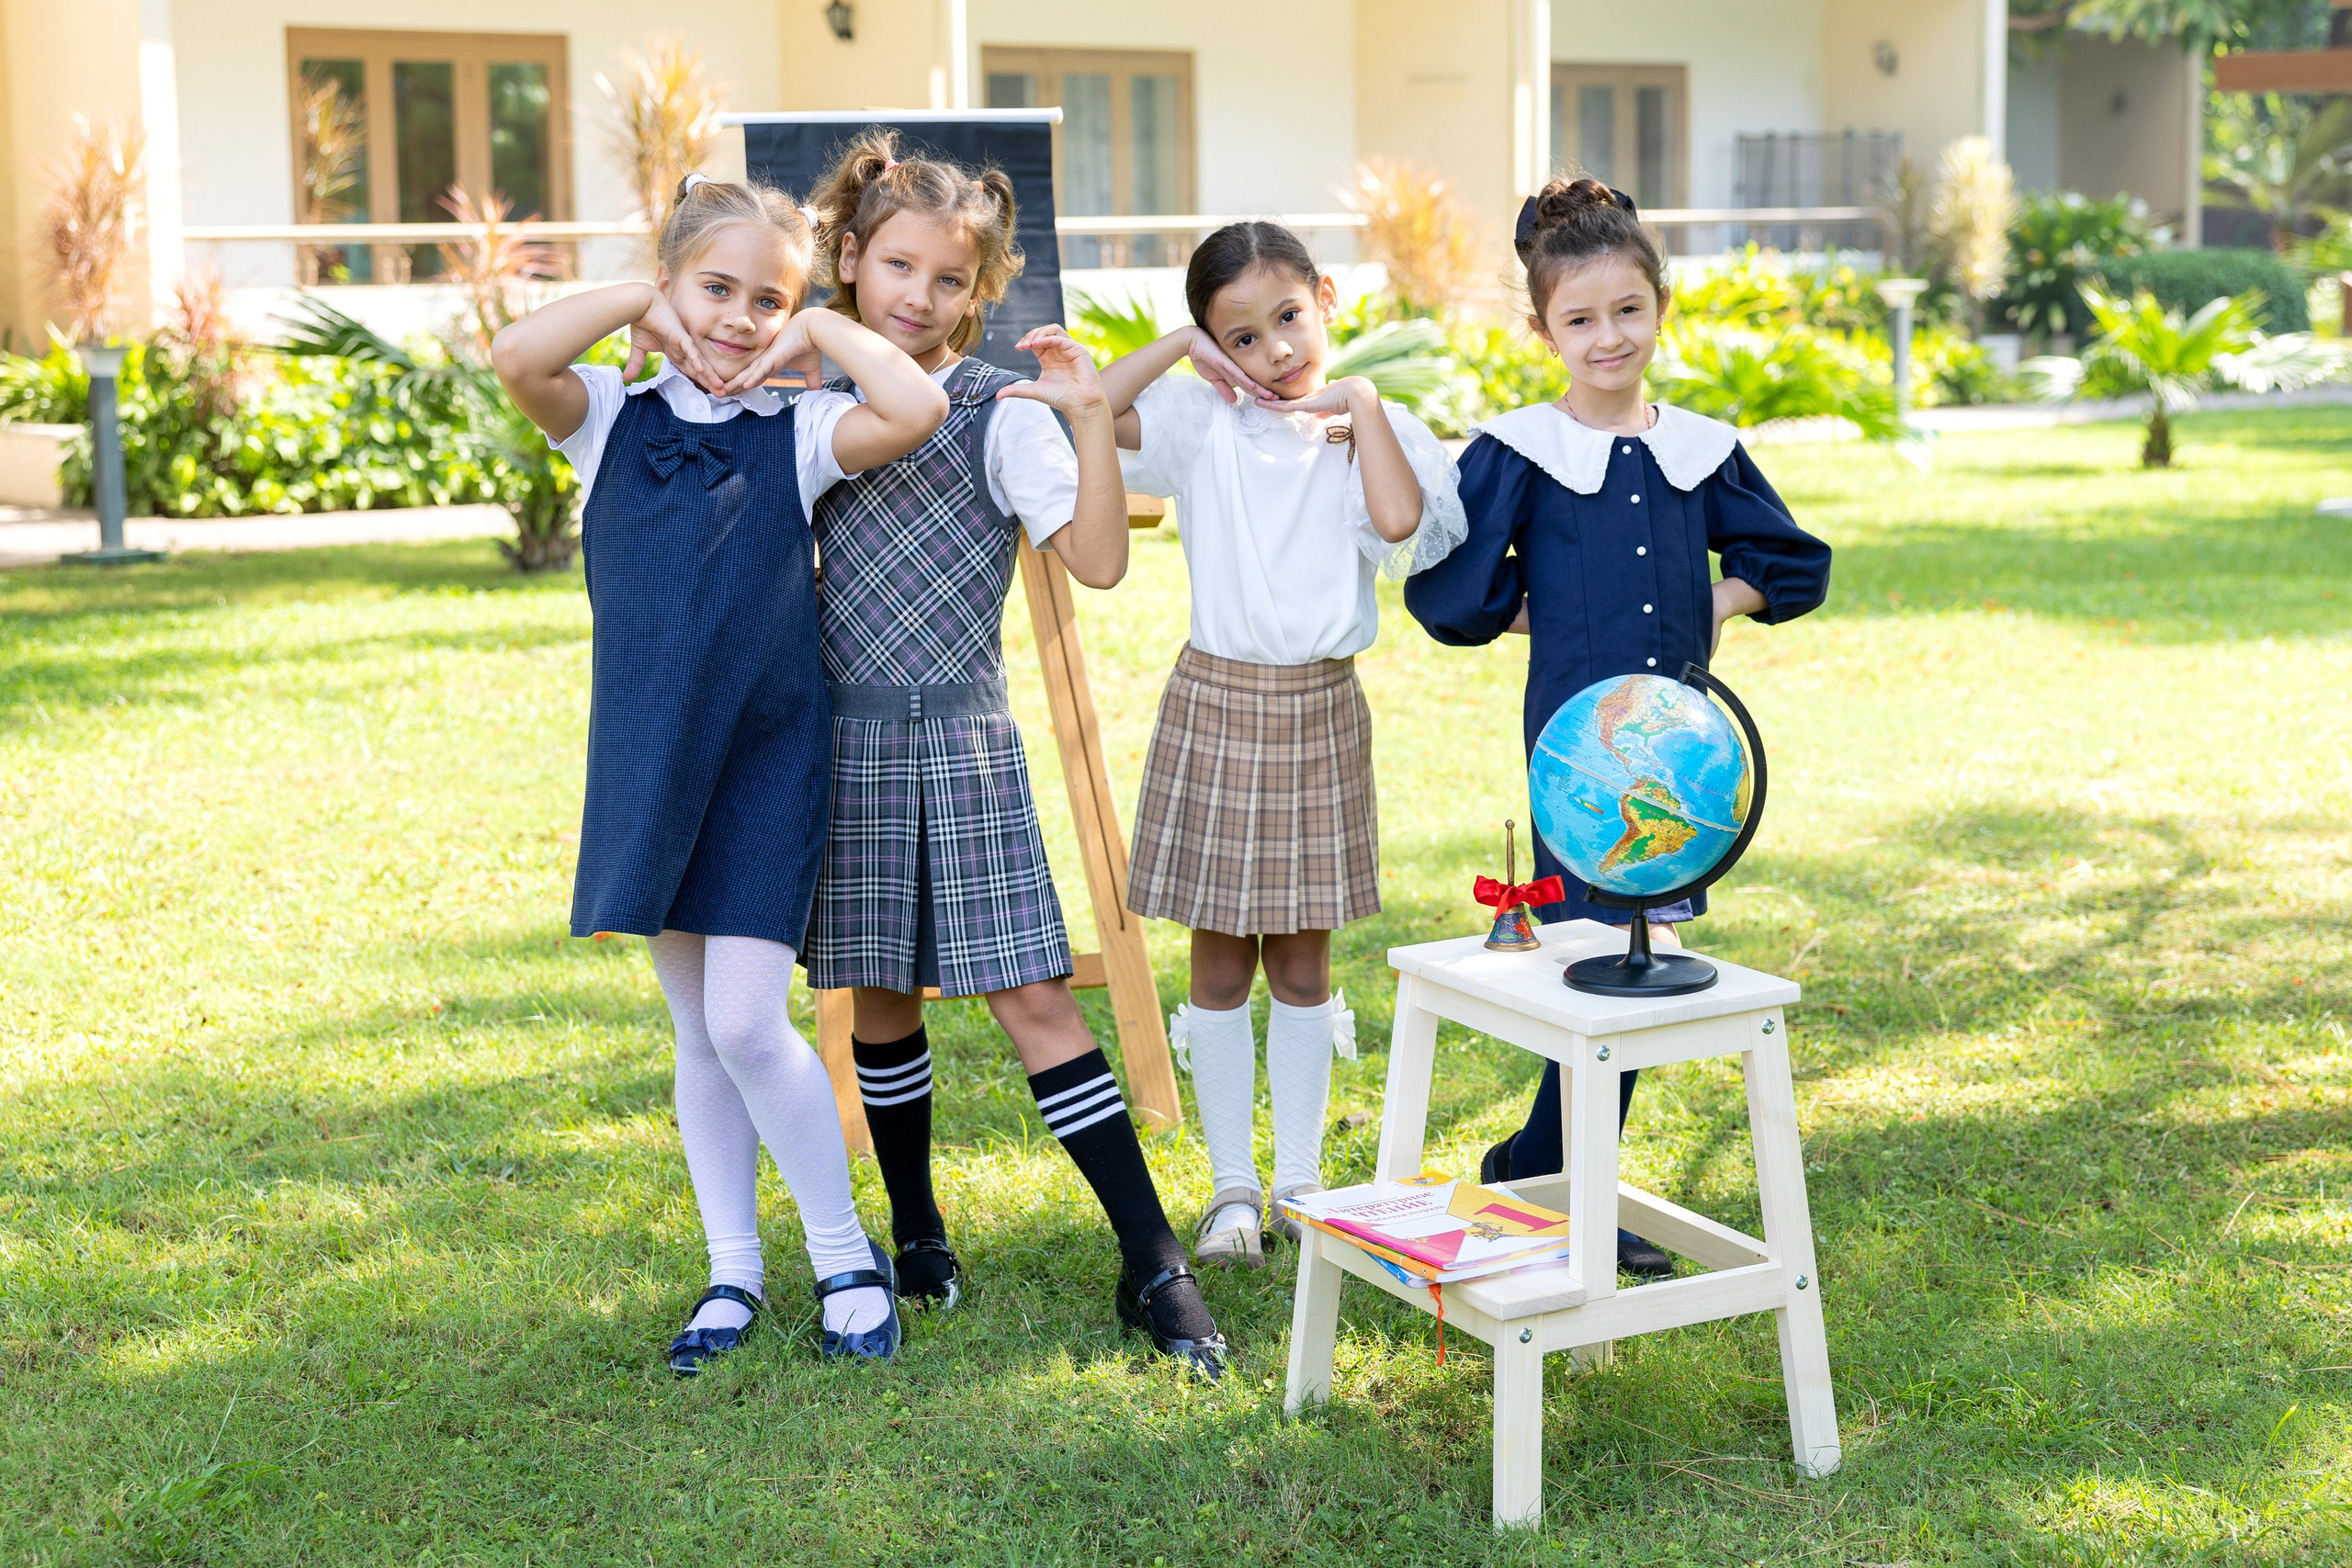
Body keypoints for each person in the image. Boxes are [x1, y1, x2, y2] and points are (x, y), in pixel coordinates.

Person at [729, 131, 1227, 1379]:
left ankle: (1152, 1254)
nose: (919, 295)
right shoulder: (797, 400)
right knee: (880, 997)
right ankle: (917, 1228)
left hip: (959, 739)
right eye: (897, 264)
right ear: (848, 256)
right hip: (835, 746)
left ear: (980, 292)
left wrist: (1088, 422)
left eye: (951, 282)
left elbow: (1103, 561)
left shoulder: (997, 413)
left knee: (1034, 996)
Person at [491, 174, 951, 1370]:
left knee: (749, 1020)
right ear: (669, 280)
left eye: (768, 298)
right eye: (718, 289)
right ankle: (730, 1269)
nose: (741, 317)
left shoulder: (795, 433)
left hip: (762, 759)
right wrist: (638, 304)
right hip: (650, 756)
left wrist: (818, 330)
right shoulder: (607, 416)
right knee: (695, 1032)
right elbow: (513, 353)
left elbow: (910, 408)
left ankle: (845, 1252)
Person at [1403, 176, 1831, 1277]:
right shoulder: (1519, 448)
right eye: (1580, 319)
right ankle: (1555, 1183)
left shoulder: (1699, 444)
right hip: (1583, 752)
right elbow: (1448, 595)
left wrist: (1716, 605)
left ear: (1659, 305)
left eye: (1626, 311)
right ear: (1542, 327)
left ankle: (1537, 1169)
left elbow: (1789, 559)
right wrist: (1542, 616)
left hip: (1681, 752)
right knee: (1603, 958)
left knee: (1651, 958)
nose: (1608, 337)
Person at [1100, 222, 1467, 1270]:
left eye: (1288, 320)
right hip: (1215, 703)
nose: (1272, 354)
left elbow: (1398, 524)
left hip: (1320, 708)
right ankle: (1230, 1192)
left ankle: (1301, 1181)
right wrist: (1183, 347)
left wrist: (1354, 407)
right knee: (1217, 957)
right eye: (1242, 336)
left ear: (1327, 299)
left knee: (1303, 957)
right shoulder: (1199, 420)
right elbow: (1097, 404)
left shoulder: (1368, 424)